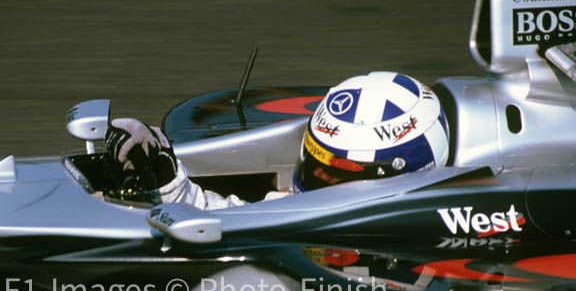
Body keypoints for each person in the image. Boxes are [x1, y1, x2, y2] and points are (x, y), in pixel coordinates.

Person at [102, 71, 450, 209]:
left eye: (338, 173)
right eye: (315, 161)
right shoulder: (298, 208)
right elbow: (233, 221)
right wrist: (166, 182)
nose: (320, 178)